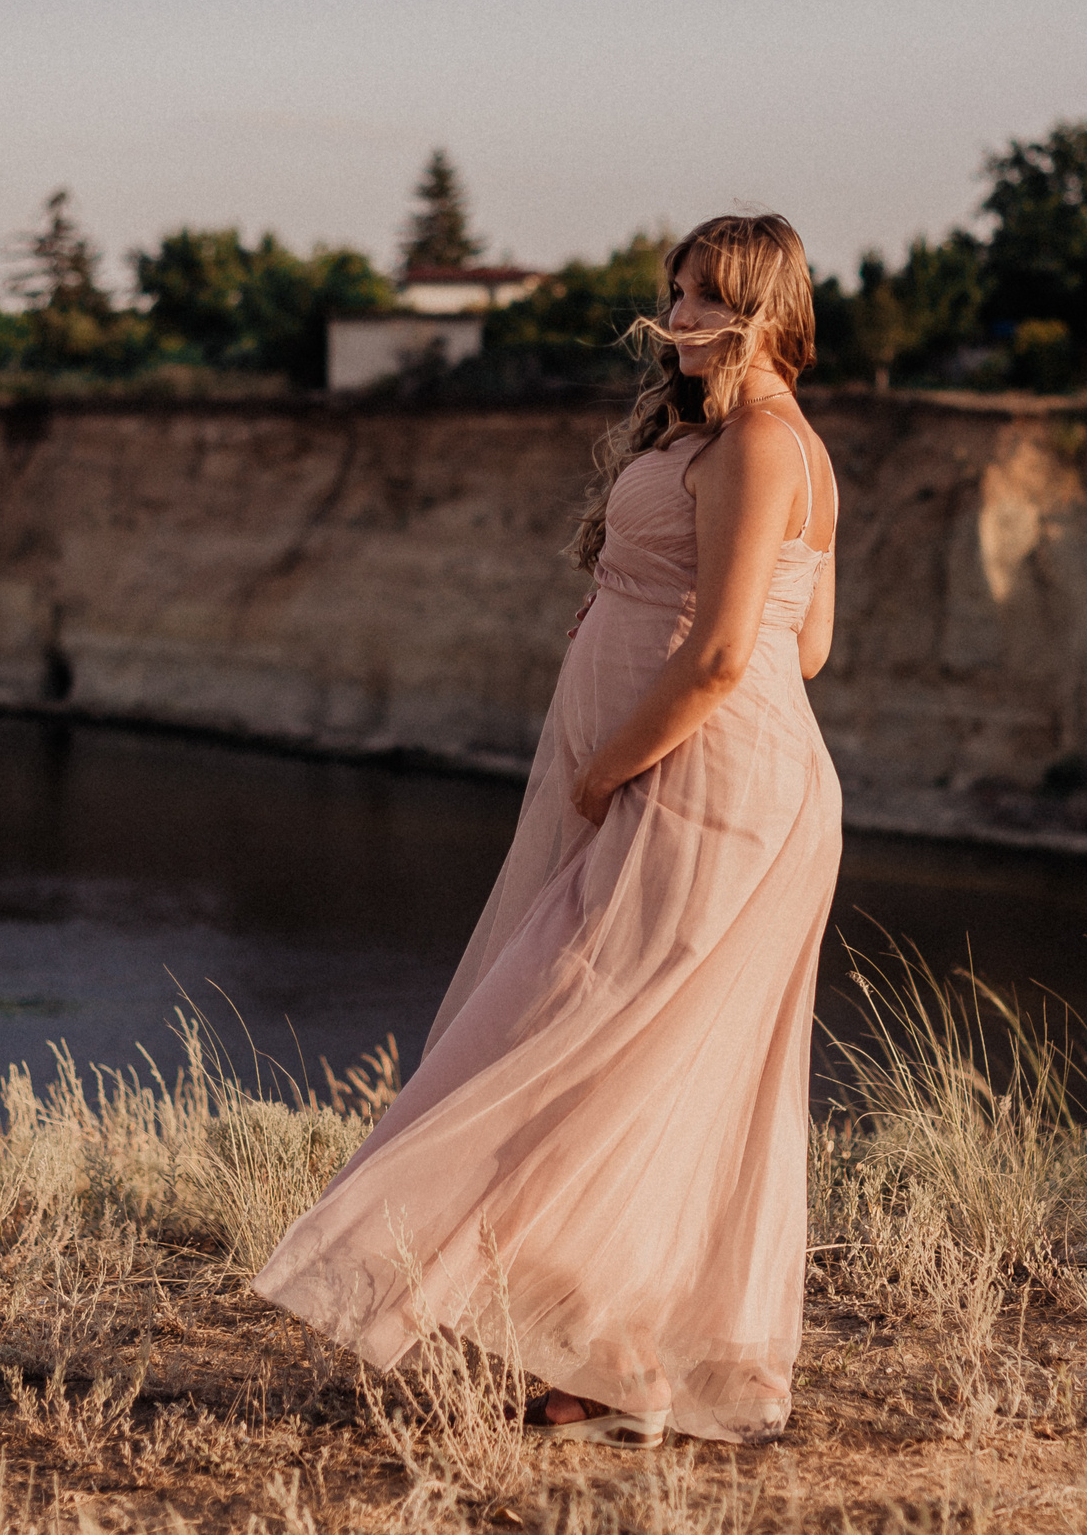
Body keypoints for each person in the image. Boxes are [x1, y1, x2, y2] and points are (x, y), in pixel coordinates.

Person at [252, 213, 842, 1449]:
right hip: (708, 772)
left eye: (705, 300)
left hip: (697, 782)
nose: (679, 318)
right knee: (636, 1051)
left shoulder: (763, 445)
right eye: (675, 293)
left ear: (767, 305)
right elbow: (813, 642)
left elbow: (738, 651)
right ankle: (616, 1356)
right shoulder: (754, 441)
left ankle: (607, 1349)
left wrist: (606, 768)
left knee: (566, 1030)